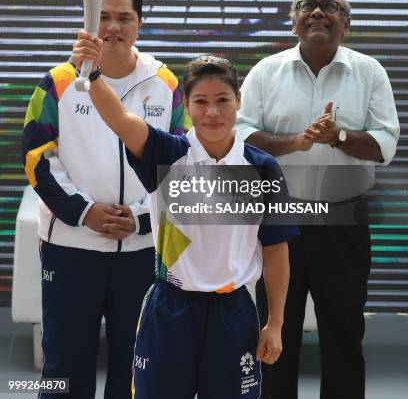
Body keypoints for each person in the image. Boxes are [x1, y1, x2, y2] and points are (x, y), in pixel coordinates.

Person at [72, 35, 299, 399]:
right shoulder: (165, 154)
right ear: (187, 106)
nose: (213, 112)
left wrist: (275, 322)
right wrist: (92, 73)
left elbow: (275, 250)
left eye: (223, 100)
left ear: (238, 102)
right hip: (170, 309)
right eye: (201, 102)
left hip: (234, 311)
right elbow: (118, 117)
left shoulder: (262, 168)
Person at [22, 0, 185, 399]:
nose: (113, 27)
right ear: (89, 24)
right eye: (104, 18)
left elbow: (182, 161)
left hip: (141, 252)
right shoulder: (58, 81)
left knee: (137, 365)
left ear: (139, 23)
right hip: (72, 247)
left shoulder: (165, 84)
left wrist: (143, 215)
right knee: (63, 365)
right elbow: (37, 157)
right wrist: (83, 211)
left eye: (123, 18)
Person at [236, 0, 400, 399]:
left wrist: (338, 137)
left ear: (346, 23)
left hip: (342, 222)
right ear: (293, 20)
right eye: (307, 5)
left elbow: (385, 144)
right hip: (279, 224)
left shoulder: (369, 71)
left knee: (343, 333)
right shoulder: (265, 71)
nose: (317, 12)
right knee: (274, 333)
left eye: (330, 6)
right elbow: (239, 135)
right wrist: (293, 143)